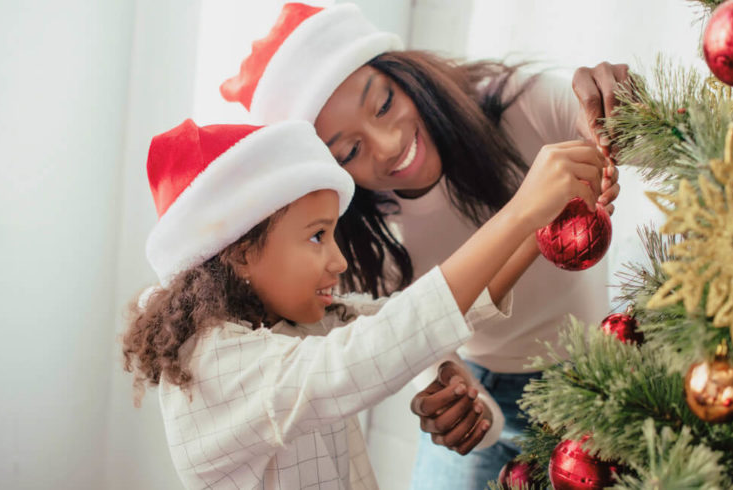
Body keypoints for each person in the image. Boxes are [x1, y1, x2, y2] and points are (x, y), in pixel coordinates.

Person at [219, 3, 626, 488]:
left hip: (596, 377)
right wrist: (453, 393)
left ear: (407, 75)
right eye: (348, 151)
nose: (388, 144)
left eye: (385, 103)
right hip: (486, 379)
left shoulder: (519, 106)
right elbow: (411, 330)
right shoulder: (361, 239)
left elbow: (641, 130)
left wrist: (617, 103)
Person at [122, 118, 605, 489]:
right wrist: (520, 211)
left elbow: (412, 315)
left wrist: (543, 222)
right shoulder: (211, 367)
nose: (337, 261)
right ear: (241, 250)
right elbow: (369, 350)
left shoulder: (292, 323)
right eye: (316, 236)